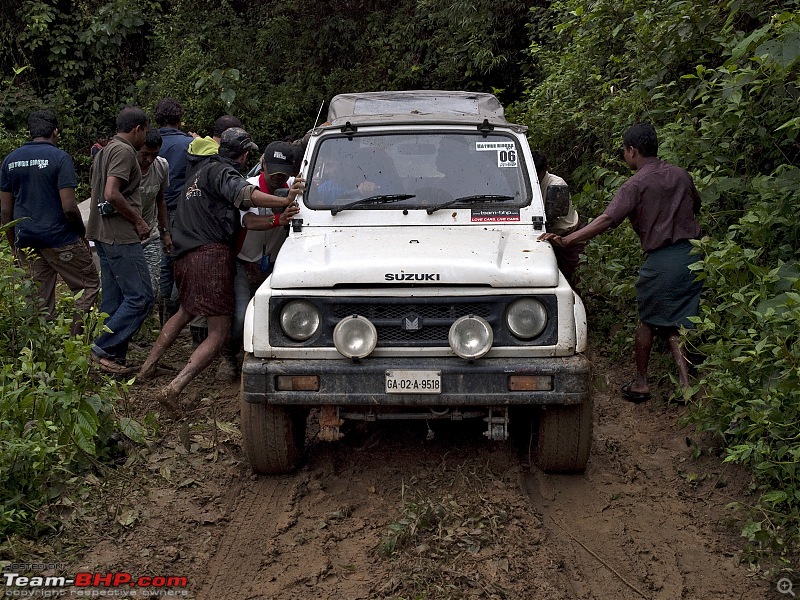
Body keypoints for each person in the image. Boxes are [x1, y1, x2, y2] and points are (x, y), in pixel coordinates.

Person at [138, 128, 304, 416]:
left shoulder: (199, 172)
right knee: (219, 331)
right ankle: (174, 388)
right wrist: (284, 202)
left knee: (184, 312)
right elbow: (245, 197)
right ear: (246, 156)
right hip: (210, 256)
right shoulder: (224, 174)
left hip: (184, 254)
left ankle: (146, 369)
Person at [538, 123, 702, 402]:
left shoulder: (635, 184)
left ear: (632, 150)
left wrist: (568, 240)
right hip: (690, 257)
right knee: (678, 323)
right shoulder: (680, 175)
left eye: (624, 151)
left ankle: (641, 383)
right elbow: (695, 206)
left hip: (661, 259)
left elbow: (606, 220)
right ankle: (686, 386)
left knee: (647, 322)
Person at [0, 109, 100, 335]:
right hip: (59, 238)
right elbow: (69, 206)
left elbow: (5, 210)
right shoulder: (59, 158)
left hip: (26, 239)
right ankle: (74, 342)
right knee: (88, 285)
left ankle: (43, 346)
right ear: (55, 132)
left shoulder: (10, 160)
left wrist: (13, 244)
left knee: (38, 298)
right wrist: (81, 234)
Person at [216, 141, 300, 381]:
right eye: (272, 171)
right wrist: (279, 219)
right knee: (241, 315)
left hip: (275, 265)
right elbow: (249, 222)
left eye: (282, 173)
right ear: (262, 164)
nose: (277, 178)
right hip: (244, 262)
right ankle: (228, 355)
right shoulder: (248, 188)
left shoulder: (295, 188)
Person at [86, 106, 154, 374]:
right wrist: (138, 220)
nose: (145, 137)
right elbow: (111, 193)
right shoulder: (125, 151)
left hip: (101, 233)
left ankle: (113, 360)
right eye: (145, 131)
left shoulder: (104, 150)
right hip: (120, 236)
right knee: (141, 297)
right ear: (137, 129)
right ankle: (100, 348)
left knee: (113, 302)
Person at [154, 98, 194, 323]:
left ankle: (162, 317)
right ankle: (176, 315)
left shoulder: (148, 141)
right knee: (181, 260)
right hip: (181, 210)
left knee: (162, 264)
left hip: (152, 211)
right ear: (179, 118)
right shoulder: (188, 143)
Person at [532, 150, 584, 287]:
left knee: (574, 281)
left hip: (568, 236)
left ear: (545, 169)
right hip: (549, 238)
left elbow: (551, 217)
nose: (535, 177)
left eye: (537, 173)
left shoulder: (556, 184)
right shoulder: (527, 183)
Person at [136, 129, 173, 301]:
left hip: (150, 234)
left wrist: (165, 232)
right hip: (127, 238)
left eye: (154, 154)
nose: (149, 160)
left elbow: (160, 199)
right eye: (145, 154)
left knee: (152, 289)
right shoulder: (125, 167)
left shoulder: (161, 166)